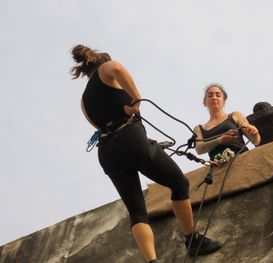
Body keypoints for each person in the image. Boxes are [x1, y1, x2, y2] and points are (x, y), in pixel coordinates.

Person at [70, 45, 222, 262]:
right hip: (130, 138)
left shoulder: (84, 103)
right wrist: (136, 100)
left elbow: (97, 125)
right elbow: (117, 68)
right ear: (101, 62)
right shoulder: (106, 68)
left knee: (137, 211)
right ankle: (192, 239)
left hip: (106, 152)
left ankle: (152, 261)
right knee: (179, 184)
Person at [194, 84, 261, 161]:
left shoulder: (235, 116)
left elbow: (255, 141)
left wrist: (255, 134)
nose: (214, 97)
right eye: (210, 95)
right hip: (218, 168)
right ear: (204, 102)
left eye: (218, 95)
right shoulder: (199, 129)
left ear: (224, 101)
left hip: (242, 160)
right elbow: (199, 149)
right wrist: (219, 140)